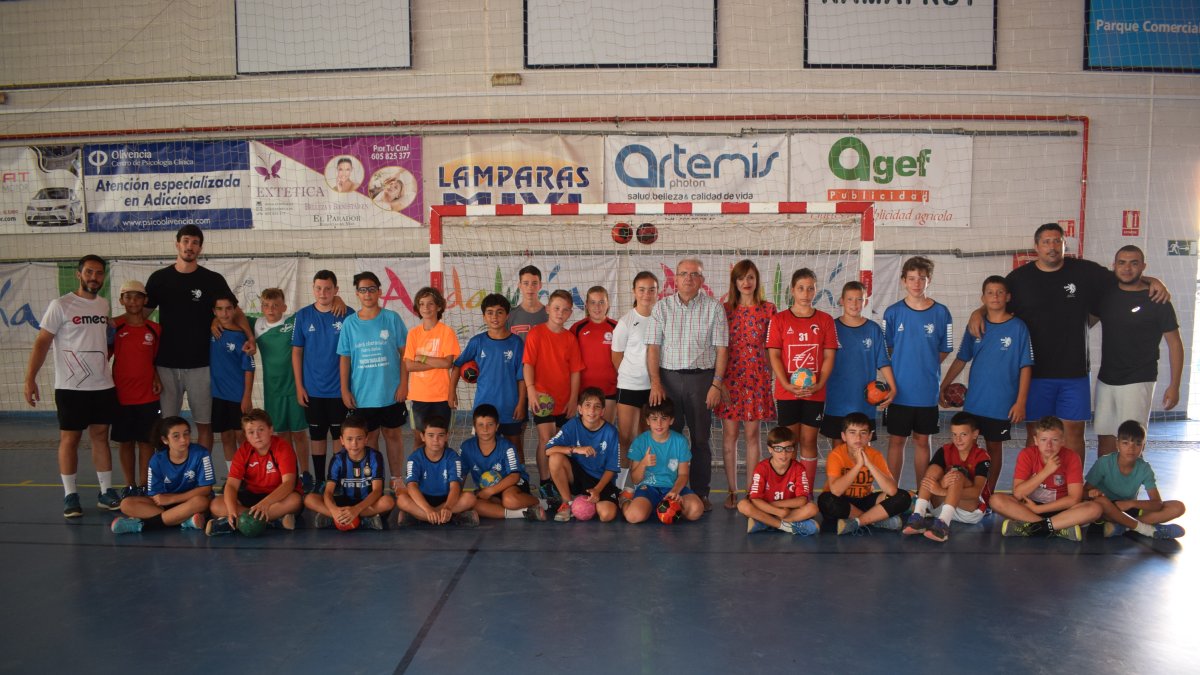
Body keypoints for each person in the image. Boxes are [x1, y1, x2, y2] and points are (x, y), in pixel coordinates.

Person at [967, 223, 1168, 462]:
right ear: (1036, 247)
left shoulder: (1084, 271)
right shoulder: (1020, 278)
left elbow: (1123, 276)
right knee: (1037, 433)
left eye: (1057, 241)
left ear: (1064, 245)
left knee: (1073, 432)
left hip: (1074, 372)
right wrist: (978, 312)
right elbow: (997, 299)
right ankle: (1037, 481)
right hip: (1035, 373)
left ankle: (1072, 483)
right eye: (1046, 242)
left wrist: (1153, 280)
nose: (1052, 247)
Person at [23, 254, 121, 517]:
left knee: (101, 436)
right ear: (79, 274)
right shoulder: (61, 305)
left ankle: (106, 492)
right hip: (71, 387)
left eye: (99, 273)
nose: (94, 277)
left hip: (102, 384)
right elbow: (42, 342)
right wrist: (30, 378)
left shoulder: (103, 305)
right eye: (89, 272)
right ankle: (70, 495)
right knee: (70, 439)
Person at [146, 225, 253, 454]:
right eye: (186, 241)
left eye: (195, 242)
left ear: (200, 248)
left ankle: (203, 472)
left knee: (204, 425)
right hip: (166, 365)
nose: (190, 246)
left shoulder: (212, 280)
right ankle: (170, 471)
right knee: (167, 426)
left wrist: (250, 338)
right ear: (177, 244)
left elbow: (235, 311)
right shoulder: (159, 279)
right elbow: (140, 316)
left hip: (201, 366)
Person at [645, 258, 729, 511]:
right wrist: (656, 383)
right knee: (669, 438)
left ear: (702, 280)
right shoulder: (662, 307)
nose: (688, 278)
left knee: (701, 440)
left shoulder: (714, 308)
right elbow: (653, 348)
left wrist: (716, 384)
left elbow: (722, 350)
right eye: (683, 273)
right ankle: (667, 490)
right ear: (675, 278)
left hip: (702, 381)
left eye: (694, 274)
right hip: (668, 381)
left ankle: (701, 493)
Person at [938, 276, 1032, 494]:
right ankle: (967, 492)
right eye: (990, 292)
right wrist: (943, 385)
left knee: (994, 447)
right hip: (975, 402)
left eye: (1000, 292)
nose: (995, 296)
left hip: (1001, 403)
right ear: (983, 298)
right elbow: (962, 358)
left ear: (1008, 297)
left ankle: (987, 494)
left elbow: (1026, 367)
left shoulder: (1018, 328)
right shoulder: (975, 326)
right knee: (967, 447)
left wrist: (1020, 402)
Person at [1093, 246, 1183, 457]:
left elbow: (1175, 344)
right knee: (1105, 439)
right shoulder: (1106, 295)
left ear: (1143, 266)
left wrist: (1175, 385)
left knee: (1131, 443)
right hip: (1106, 380)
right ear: (1114, 266)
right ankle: (1104, 480)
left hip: (1138, 379)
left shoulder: (1157, 299)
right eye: (1122, 263)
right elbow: (1084, 323)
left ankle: (1131, 482)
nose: (1127, 268)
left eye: (1134, 263)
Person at [882, 256, 952, 486]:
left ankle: (923, 494)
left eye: (921, 278)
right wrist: (903, 365)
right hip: (899, 390)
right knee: (896, 441)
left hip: (926, 390)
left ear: (929, 280)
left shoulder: (941, 312)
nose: (916, 283)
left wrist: (926, 363)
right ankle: (892, 492)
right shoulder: (892, 312)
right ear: (903, 280)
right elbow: (887, 348)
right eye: (911, 278)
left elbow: (945, 348)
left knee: (922, 441)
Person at [766, 268, 838, 488]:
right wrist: (786, 384)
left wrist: (819, 384)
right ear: (792, 290)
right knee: (788, 443)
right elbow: (774, 355)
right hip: (787, 392)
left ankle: (805, 490)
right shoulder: (779, 319)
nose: (806, 293)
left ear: (816, 290)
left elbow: (829, 356)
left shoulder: (825, 320)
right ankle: (789, 488)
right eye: (801, 288)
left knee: (809, 440)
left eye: (810, 288)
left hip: (814, 392)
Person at [337, 271, 409, 491]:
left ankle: (396, 478)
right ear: (357, 294)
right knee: (369, 439)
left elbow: (405, 354)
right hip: (362, 395)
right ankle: (374, 481)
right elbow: (345, 358)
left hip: (391, 393)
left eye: (371, 289)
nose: (367, 294)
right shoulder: (350, 323)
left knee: (393, 435)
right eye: (362, 290)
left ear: (379, 291)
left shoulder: (392, 318)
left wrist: (404, 384)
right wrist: (344, 390)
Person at [715, 260, 776, 509]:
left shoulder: (768, 309)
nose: (746, 282)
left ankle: (752, 490)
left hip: (757, 379)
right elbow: (718, 347)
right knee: (730, 435)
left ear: (757, 279)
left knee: (752, 435)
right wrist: (719, 382)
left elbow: (773, 347)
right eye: (741, 278)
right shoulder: (725, 310)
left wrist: (772, 376)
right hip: (730, 379)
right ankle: (732, 490)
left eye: (750, 277)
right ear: (735, 282)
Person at [989, 416, 1102, 541]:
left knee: (1095, 509)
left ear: (1063, 441)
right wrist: (1046, 471)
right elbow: (1018, 494)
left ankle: (1033, 527)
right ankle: (1057, 528)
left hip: (1062, 509)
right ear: (1036, 440)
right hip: (1029, 508)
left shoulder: (1072, 457)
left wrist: (1039, 509)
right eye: (1043, 440)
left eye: (1054, 440)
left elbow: (1074, 499)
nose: (1049, 445)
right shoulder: (1027, 454)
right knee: (996, 500)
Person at [451, 294, 527, 461]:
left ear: (507, 315)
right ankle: (485, 476)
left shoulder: (516, 343)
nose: (495, 317)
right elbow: (457, 365)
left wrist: (521, 403)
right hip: (483, 408)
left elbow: (521, 378)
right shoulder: (477, 342)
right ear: (484, 316)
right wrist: (451, 393)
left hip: (510, 408)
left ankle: (520, 475)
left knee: (514, 446)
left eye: (499, 312)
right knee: (484, 447)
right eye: (490, 312)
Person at [292, 270, 348, 489]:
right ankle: (320, 480)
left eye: (328, 289)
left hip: (339, 390)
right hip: (312, 390)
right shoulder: (303, 315)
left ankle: (337, 480)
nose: (323, 293)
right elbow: (297, 352)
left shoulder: (347, 314)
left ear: (336, 290)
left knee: (339, 437)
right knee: (317, 436)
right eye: (318, 288)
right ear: (313, 289)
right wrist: (299, 386)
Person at [207, 408, 303, 535]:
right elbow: (231, 485)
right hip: (252, 496)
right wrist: (231, 511)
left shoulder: (283, 448)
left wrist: (265, 503)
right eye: (251, 432)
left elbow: (288, 484)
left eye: (261, 430)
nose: (256, 436)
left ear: (271, 430)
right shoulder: (244, 451)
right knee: (216, 504)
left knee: (295, 501)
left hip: (277, 497)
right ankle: (272, 522)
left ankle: (237, 523)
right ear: (246, 436)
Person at [110, 417, 214, 534]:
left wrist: (173, 498)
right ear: (165, 440)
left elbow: (205, 489)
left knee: (201, 502)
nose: (183, 440)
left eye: (186, 434)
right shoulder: (157, 460)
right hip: (166, 506)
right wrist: (166, 501)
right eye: (176, 436)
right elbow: (156, 496)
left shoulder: (201, 453)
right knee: (126, 504)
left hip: (190, 502)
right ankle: (183, 520)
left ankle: (143, 525)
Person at [523, 289, 584, 489]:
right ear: (548, 309)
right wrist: (531, 390)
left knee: (559, 443)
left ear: (570, 313)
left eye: (565, 310)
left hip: (564, 400)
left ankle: (557, 481)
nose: (560, 313)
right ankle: (544, 482)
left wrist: (574, 399)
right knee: (546, 439)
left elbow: (575, 372)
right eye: (557, 308)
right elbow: (528, 364)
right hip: (542, 398)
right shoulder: (536, 334)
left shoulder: (570, 339)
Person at [1086, 420, 1185, 539]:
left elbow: (1157, 504)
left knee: (1178, 507)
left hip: (1129, 509)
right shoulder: (1104, 462)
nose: (1131, 448)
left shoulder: (1144, 468)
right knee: (1101, 502)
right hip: (1108, 511)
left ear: (1143, 446)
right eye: (1125, 443)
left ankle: (1123, 527)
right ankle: (1147, 529)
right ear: (1117, 444)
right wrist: (1092, 493)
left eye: (1138, 444)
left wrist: (1130, 503)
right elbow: (1084, 492)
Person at [821, 281, 894, 442]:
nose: (854, 304)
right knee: (839, 447)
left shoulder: (873, 329)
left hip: (865, 401)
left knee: (862, 447)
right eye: (850, 299)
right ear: (841, 301)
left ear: (865, 301)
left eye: (859, 299)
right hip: (837, 400)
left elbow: (883, 362)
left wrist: (893, 387)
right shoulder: (831, 328)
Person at [253, 288, 311, 490]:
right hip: (273, 392)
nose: (271, 309)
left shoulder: (294, 321)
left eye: (276, 305)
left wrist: (337, 299)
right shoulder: (257, 324)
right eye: (266, 305)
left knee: (299, 434)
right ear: (261, 307)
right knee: (282, 435)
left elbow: (316, 309)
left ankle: (305, 473)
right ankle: (289, 474)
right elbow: (234, 317)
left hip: (295, 388)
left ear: (284, 307)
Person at [902, 412, 992, 543]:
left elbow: (975, 493)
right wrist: (942, 484)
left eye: (963, 434)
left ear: (975, 434)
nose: (958, 440)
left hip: (968, 511)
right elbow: (930, 479)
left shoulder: (982, 457)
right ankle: (918, 516)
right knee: (933, 470)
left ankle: (942, 526)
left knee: (957, 475)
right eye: (954, 434)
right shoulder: (945, 450)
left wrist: (942, 490)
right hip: (941, 506)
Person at [817, 412, 911, 535]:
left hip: (866, 500)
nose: (858, 438)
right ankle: (876, 520)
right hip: (843, 502)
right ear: (844, 436)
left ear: (869, 436)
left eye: (863, 433)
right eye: (852, 432)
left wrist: (869, 464)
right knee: (826, 500)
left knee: (903, 497)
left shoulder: (875, 455)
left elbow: (892, 490)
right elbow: (836, 491)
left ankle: (858, 522)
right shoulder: (836, 455)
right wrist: (858, 466)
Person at [109, 279, 162, 497]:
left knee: (147, 442)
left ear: (145, 300)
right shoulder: (114, 328)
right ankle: (130, 485)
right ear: (121, 300)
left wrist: (156, 377)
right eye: (128, 297)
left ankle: (144, 485)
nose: (133, 301)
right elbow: (102, 356)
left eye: (138, 297)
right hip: (121, 396)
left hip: (148, 396)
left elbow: (155, 360)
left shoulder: (155, 329)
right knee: (126, 442)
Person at [303, 414, 395, 531]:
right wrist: (334, 510)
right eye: (349, 439)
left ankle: (339, 518)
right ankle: (345, 517)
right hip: (343, 503)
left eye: (359, 439)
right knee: (309, 499)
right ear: (342, 440)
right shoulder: (337, 459)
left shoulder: (375, 457)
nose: (354, 444)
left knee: (388, 502)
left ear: (366, 439)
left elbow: (377, 491)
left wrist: (356, 509)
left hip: (367, 503)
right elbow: (328, 492)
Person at [622, 397, 704, 524]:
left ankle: (661, 507)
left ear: (671, 420)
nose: (659, 424)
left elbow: (683, 475)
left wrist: (675, 492)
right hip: (648, 488)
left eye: (664, 418)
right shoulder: (640, 442)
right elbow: (635, 480)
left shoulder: (680, 441)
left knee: (696, 510)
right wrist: (643, 463)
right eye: (654, 419)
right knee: (633, 517)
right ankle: (625, 500)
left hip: (672, 487)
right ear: (648, 421)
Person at [545, 387, 621, 522]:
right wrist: (576, 449)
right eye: (587, 405)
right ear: (580, 409)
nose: (592, 410)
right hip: (578, 476)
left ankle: (590, 501)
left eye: (597, 406)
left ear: (603, 411)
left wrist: (597, 490)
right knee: (555, 458)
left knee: (607, 515)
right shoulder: (573, 425)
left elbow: (612, 468)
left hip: (600, 481)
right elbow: (548, 450)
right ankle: (567, 503)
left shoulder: (611, 432)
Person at [458, 404, 545, 521]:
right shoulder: (466, 447)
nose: (485, 429)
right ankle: (522, 513)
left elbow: (514, 476)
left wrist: (491, 491)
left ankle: (541, 503)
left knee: (509, 500)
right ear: (474, 427)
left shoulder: (506, 446)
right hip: (488, 490)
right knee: (471, 503)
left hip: (511, 485)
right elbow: (460, 475)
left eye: (490, 424)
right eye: (480, 425)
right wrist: (457, 497)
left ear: (497, 426)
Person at [611, 271, 658, 473]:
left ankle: (645, 482)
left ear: (657, 292)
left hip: (653, 388)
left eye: (651, 289)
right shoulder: (626, 322)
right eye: (642, 289)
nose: (646, 294)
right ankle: (621, 483)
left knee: (647, 437)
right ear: (634, 292)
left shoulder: (661, 318)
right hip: (629, 386)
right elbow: (616, 356)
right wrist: (632, 375)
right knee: (626, 438)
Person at [394, 416, 479, 527]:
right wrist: (428, 509)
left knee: (470, 498)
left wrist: (447, 507)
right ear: (422, 437)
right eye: (431, 435)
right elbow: (412, 486)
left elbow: (455, 486)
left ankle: (419, 517)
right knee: (401, 500)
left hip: (446, 499)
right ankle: (449, 517)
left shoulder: (453, 457)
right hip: (422, 499)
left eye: (441, 435)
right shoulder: (414, 458)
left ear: (447, 436)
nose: (436, 440)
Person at [736, 426, 819, 535]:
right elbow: (755, 499)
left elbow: (802, 500)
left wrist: (777, 507)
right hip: (766, 509)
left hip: (786, 510)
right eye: (778, 449)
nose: (783, 454)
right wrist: (777, 511)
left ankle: (765, 523)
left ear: (793, 449)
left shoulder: (799, 468)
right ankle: (786, 526)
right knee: (743, 505)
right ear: (770, 449)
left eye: (788, 448)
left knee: (812, 508)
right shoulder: (762, 468)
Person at [404, 286, 460, 444]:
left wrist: (422, 358)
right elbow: (409, 366)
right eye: (421, 304)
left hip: (441, 396)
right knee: (419, 440)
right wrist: (437, 362)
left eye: (430, 304)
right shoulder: (413, 333)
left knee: (440, 440)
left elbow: (447, 363)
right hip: (419, 396)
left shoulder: (446, 332)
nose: (425, 308)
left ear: (439, 307)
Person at [209, 295, 255, 472]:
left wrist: (246, 396)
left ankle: (248, 474)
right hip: (218, 395)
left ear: (235, 310)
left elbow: (249, 368)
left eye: (228, 308)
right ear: (214, 312)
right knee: (226, 436)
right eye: (219, 309)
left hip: (238, 395)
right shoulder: (213, 331)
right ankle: (233, 475)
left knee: (242, 436)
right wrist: (213, 322)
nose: (224, 313)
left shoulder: (242, 337)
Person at [571, 286, 619, 423]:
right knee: (586, 431)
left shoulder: (617, 327)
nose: (597, 307)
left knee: (606, 429)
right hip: (584, 390)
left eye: (601, 302)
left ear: (608, 304)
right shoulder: (577, 328)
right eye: (593, 302)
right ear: (586, 304)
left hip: (610, 389)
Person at [506, 265, 548, 337]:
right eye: (526, 283)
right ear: (519, 285)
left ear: (540, 285)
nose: (530, 287)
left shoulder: (550, 315)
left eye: (534, 283)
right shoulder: (510, 316)